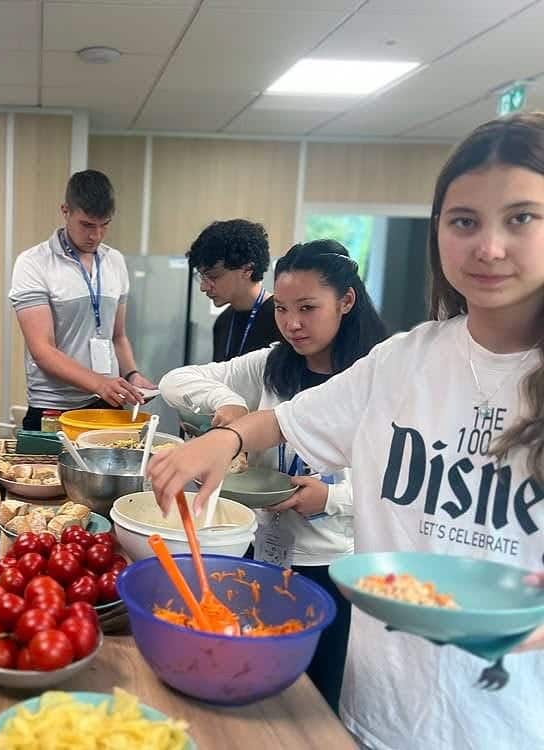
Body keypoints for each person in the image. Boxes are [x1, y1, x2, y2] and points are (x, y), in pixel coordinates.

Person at [149, 113, 544, 750]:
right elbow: (287, 420)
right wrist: (224, 439)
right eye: (464, 221)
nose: (488, 247)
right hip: (379, 709)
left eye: (521, 218)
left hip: (507, 723)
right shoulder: (404, 360)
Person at [160, 240, 388, 712]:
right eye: (282, 309)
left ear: (346, 301)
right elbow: (176, 381)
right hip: (261, 554)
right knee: (253, 685)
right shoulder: (271, 363)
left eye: (308, 308)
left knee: (314, 702)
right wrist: (229, 406)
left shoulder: (376, 379)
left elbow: (394, 490)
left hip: (331, 568)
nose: (293, 324)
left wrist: (331, 498)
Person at [10, 169, 156, 430]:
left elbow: (117, 336)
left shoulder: (115, 262)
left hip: (108, 403)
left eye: (105, 225)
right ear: (66, 211)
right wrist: (99, 383)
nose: (96, 236)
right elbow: (42, 350)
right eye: (87, 225)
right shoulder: (33, 263)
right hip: (55, 407)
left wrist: (131, 375)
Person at [190, 219, 282, 362]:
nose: (204, 287)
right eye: (202, 277)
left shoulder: (281, 319)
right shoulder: (223, 322)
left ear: (247, 270)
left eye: (213, 276)